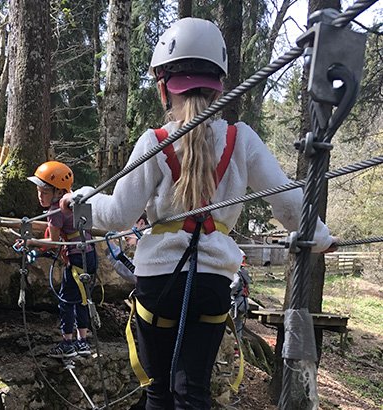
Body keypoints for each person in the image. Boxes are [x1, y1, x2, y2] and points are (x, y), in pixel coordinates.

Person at [59, 17, 339, 409]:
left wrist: (83, 201)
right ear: (218, 88)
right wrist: (322, 239)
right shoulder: (242, 139)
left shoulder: (154, 143)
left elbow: (119, 215)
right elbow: (289, 202)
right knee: (193, 393)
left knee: (158, 391)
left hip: (159, 282)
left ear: (163, 89)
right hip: (212, 284)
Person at [21, 160, 98, 359]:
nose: (40, 196)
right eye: (39, 191)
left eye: (44, 192)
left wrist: (30, 242)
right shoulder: (73, 203)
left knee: (66, 300)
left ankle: (67, 343)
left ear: (58, 192)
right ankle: (82, 342)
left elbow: (53, 242)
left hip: (76, 260)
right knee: (82, 298)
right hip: (90, 254)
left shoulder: (55, 211)